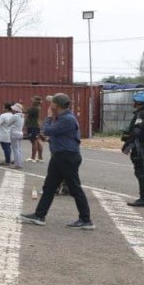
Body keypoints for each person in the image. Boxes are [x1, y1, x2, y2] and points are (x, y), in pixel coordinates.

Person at [20, 93, 94, 229]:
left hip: (67, 157)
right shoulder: (62, 118)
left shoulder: (67, 119)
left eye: (52, 102)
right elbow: (61, 136)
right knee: (49, 187)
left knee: (75, 188)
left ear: (57, 105)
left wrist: (48, 117)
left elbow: (47, 130)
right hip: (60, 156)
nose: (50, 104)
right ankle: (39, 215)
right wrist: (50, 140)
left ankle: (86, 219)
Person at [122, 91, 144, 207]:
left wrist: (127, 142)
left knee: (141, 172)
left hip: (141, 147)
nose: (133, 103)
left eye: (134, 101)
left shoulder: (142, 114)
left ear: (138, 102)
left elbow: (137, 130)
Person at [26, 96, 44, 162]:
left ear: (35, 101)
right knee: (38, 140)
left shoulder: (34, 108)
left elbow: (25, 111)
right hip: (35, 126)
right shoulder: (37, 107)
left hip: (33, 126)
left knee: (34, 141)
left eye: (33, 100)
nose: (32, 101)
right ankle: (40, 157)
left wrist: (20, 106)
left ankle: (33, 157)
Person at [10, 103, 25, 169]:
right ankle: (20, 163)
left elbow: (8, 123)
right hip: (20, 133)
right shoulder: (22, 116)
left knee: (15, 149)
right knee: (19, 149)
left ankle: (17, 165)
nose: (12, 110)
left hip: (14, 133)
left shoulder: (15, 116)